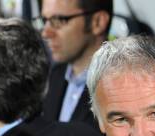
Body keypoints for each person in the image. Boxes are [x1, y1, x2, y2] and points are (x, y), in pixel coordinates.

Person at [37, 0, 112, 128]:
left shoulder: (120, 88)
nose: (46, 33)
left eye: (59, 20)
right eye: (45, 20)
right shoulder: (53, 76)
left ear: (98, 22)